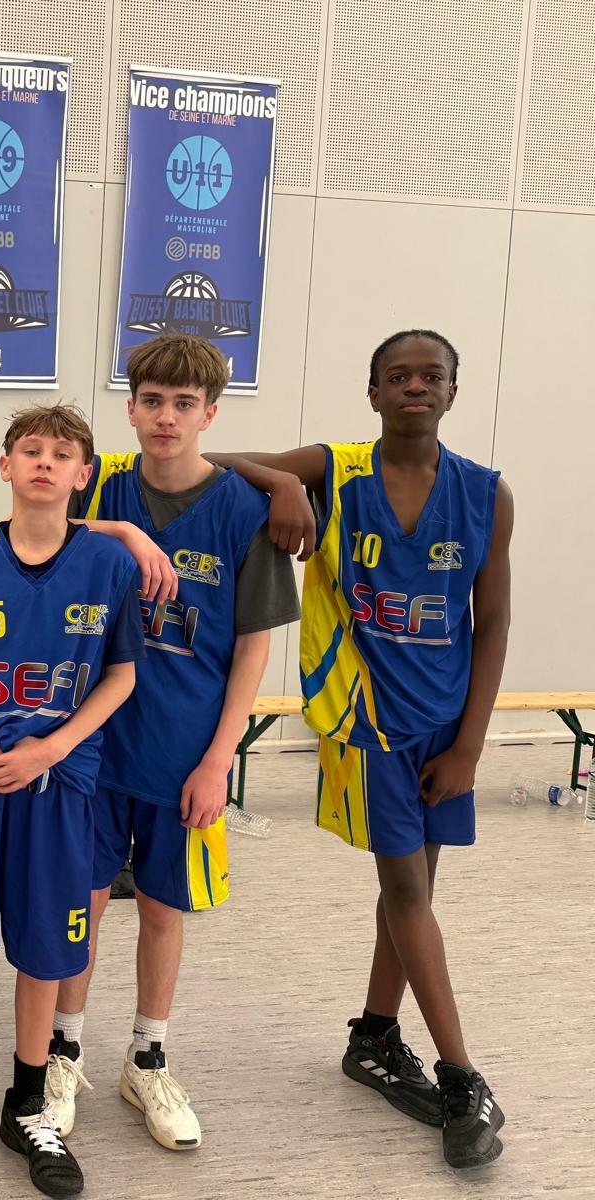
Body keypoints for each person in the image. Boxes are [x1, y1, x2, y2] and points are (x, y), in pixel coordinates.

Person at [212, 330, 513, 1170]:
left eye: (432, 375)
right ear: (373, 391)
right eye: (398, 375)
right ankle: (463, 1075)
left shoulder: (487, 493)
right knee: (407, 888)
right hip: (366, 715)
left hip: (446, 721)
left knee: (414, 890)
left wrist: (472, 745)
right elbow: (217, 462)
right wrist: (283, 482)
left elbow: (492, 622)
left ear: (453, 391)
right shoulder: (334, 469)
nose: (416, 385)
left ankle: (375, 1035)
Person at [42, 334, 299, 1153]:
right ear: (131, 407)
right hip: (91, 743)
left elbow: (253, 647)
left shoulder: (245, 511)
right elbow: (37, 529)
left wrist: (221, 759)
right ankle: (63, 1050)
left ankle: (147, 1057)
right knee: (81, 902)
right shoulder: (102, 485)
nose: (166, 417)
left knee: (161, 907)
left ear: (210, 415)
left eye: (184, 404)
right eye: (152, 401)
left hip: (184, 751)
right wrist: (122, 530)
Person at [0, 404, 144, 1196]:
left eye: (62, 453)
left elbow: (122, 674)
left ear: (84, 474)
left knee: (47, 946)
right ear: (5, 465)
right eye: (31, 450)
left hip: (61, 783)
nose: (45, 462)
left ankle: (26, 1103)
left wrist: (53, 746)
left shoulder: (108, 564)